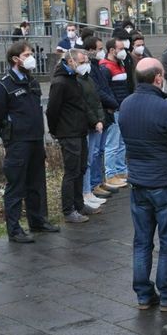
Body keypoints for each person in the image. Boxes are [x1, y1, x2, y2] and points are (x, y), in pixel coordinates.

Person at [117, 58, 167, 312]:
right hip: (165, 181)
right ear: (159, 79)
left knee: (142, 241)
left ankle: (143, 294)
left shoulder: (126, 104)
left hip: (138, 181)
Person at [0, 41, 57, 243]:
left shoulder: (31, 81)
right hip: (18, 143)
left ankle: (37, 221)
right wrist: (9, 135)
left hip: (35, 140)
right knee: (16, 186)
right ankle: (14, 229)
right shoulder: (4, 86)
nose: (31, 58)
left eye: (31, 54)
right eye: (27, 55)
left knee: (36, 183)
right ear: (15, 59)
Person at [47, 49, 103, 223]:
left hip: (79, 131)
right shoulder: (60, 82)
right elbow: (52, 110)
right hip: (68, 132)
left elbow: (82, 105)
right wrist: (55, 131)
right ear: (70, 61)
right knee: (71, 172)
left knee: (81, 169)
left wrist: (93, 121)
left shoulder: (74, 80)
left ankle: (79, 205)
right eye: (80, 61)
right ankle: (68, 209)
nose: (83, 64)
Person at [82, 35, 119, 206]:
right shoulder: (91, 70)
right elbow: (96, 94)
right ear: (89, 51)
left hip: (103, 114)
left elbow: (104, 89)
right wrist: (112, 103)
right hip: (98, 117)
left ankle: (98, 182)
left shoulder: (96, 67)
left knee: (100, 151)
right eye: (98, 49)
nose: (100, 51)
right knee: (94, 153)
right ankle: (92, 185)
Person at [100, 38, 131, 189]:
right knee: (112, 144)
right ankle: (111, 174)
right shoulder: (105, 67)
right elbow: (105, 90)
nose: (123, 51)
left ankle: (120, 170)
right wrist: (113, 105)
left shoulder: (120, 64)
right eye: (120, 48)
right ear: (112, 50)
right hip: (114, 109)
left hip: (122, 107)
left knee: (121, 143)